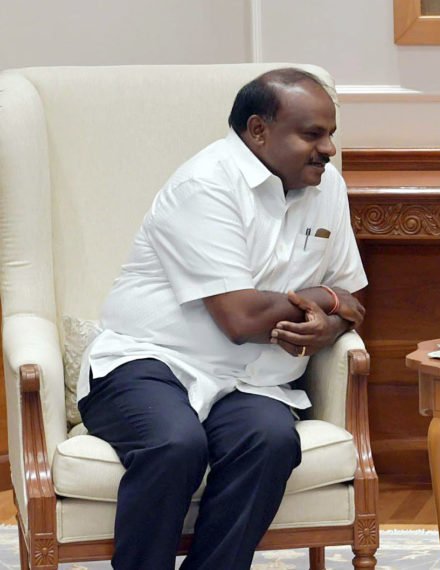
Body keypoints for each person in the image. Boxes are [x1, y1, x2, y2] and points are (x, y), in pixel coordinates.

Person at [77, 68, 368, 570]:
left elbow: (356, 299)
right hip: (151, 363)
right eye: (312, 134)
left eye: (331, 134)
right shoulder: (204, 184)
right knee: (175, 444)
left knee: (272, 440)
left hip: (253, 381)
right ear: (258, 130)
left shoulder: (328, 187)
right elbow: (241, 317)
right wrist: (326, 297)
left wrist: (332, 321)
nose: (328, 149)